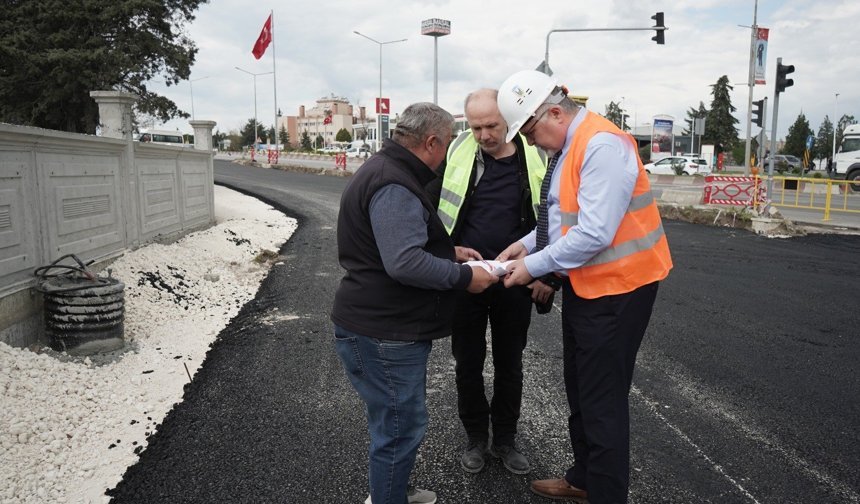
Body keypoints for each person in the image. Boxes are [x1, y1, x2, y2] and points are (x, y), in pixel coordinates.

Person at [496, 70, 673, 503]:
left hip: (620, 291)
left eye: (531, 131)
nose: (531, 142)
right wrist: (521, 248)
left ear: (554, 112)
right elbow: (560, 218)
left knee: (603, 400)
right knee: (580, 386)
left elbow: (593, 235)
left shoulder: (602, 145)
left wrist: (534, 266)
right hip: (589, 287)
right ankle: (584, 478)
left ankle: (606, 493)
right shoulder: (571, 145)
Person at [331, 102, 499, 504]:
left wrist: (447, 252)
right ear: (431, 142)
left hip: (380, 325)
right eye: (447, 147)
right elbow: (404, 262)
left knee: (393, 422)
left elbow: (395, 244)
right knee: (399, 428)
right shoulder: (394, 182)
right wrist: (464, 277)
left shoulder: (386, 170)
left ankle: (393, 492)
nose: (446, 158)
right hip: (384, 332)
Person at [427, 88, 552, 475]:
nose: (483, 135)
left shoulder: (536, 154)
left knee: (510, 363)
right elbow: (431, 209)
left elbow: (553, 217)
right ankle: (475, 439)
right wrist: (449, 255)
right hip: (467, 278)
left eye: (491, 126)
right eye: (476, 126)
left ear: (509, 120)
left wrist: (545, 272)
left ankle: (505, 441)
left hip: (516, 278)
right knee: (467, 362)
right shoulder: (459, 151)